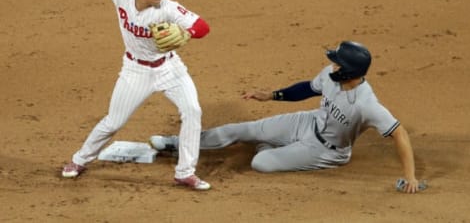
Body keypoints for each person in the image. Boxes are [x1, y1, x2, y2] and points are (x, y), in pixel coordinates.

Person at [150, 41, 423, 193]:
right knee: (240, 129)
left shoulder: (367, 104)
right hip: (307, 122)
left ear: (350, 72)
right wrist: (272, 96)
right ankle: (177, 143)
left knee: (260, 162)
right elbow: (307, 88)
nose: (333, 64)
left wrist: (410, 177)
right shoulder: (330, 75)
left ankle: (274, 147)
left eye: (338, 62)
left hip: (326, 151)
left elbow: (399, 133)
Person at [62, 0, 211, 191]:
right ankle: (79, 160)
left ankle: (185, 172)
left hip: (169, 68)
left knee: (192, 110)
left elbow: (203, 26)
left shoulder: (168, 7)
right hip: (135, 71)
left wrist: (188, 33)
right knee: (113, 122)